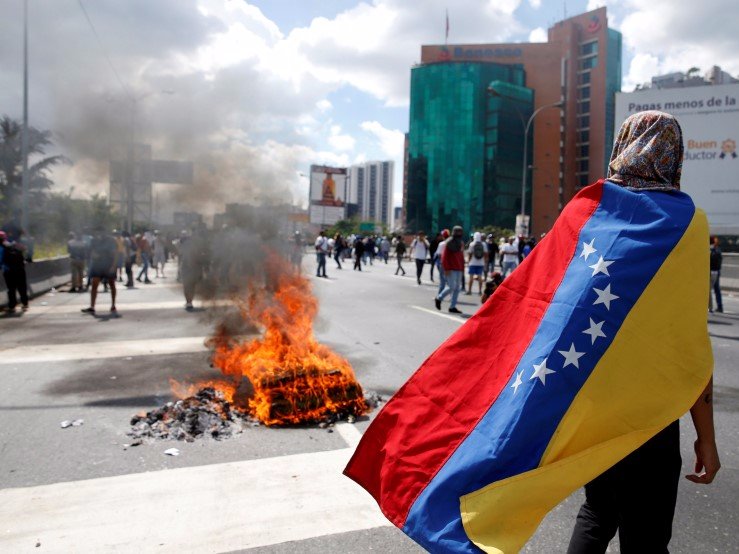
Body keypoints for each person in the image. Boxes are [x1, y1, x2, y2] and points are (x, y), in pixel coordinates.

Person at [567, 111, 720, 553]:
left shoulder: (588, 210)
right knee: (647, 538)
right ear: (675, 154)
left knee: (596, 514)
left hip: (591, 407)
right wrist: (705, 437)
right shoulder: (686, 223)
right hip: (652, 414)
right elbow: (690, 340)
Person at [81, 227, 118, 315]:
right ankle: (92, 306)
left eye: (101, 232)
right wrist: (93, 256)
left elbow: (115, 254)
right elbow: (91, 252)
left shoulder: (111, 241)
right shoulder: (94, 241)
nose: (100, 234)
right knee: (94, 285)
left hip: (108, 264)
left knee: (112, 284)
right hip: (97, 265)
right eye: (98, 232)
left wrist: (113, 266)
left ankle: (113, 305)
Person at [435, 226, 465, 314]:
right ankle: (439, 298)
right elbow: (444, 257)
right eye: (457, 232)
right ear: (454, 232)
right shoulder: (449, 242)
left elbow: (461, 256)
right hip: (450, 268)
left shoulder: (461, 243)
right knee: (451, 287)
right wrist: (446, 268)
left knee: (457, 288)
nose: (459, 233)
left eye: (460, 231)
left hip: (459, 268)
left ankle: (452, 306)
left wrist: (462, 267)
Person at [1, 230, 29, 313]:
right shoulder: (14, 244)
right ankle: (25, 304)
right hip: (20, 269)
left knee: (11, 289)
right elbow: (25, 251)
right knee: (22, 287)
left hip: (9, 271)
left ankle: (12, 306)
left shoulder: (2, 247)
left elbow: (1, 259)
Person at [434, 229, 450, 296]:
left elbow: (439, 254)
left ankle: (439, 295)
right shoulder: (451, 243)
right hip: (450, 264)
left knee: (442, 281)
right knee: (450, 281)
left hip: (443, 264)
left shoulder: (441, 244)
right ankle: (451, 295)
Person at [710, 237, 723, 313]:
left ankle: (712, 307)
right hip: (717, 271)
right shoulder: (718, 250)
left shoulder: (714, 251)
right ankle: (720, 306)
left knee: (711, 290)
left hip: (713, 272)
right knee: (716, 289)